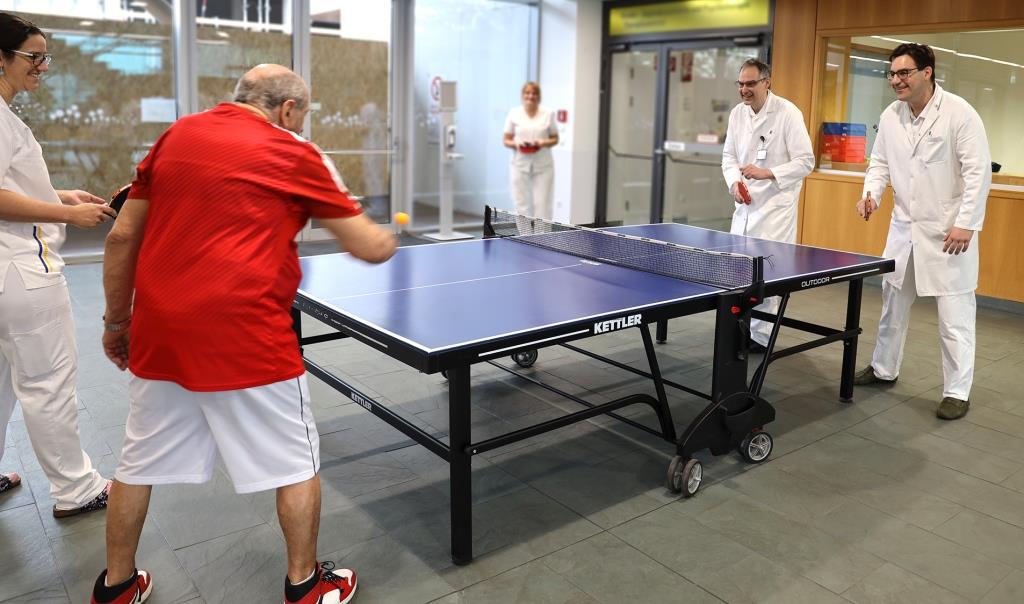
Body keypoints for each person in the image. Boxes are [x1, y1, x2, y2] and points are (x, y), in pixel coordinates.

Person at [92, 64, 396, 604]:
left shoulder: (176, 135)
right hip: (249, 338)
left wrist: (118, 323)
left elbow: (120, 239)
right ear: (288, 110)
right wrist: (388, 231)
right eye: (302, 115)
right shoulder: (295, 153)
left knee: (136, 464)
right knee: (296, 463)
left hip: (161, 332)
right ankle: (306, 585)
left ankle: (116, 586)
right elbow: (369, 247)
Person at [0, 12, 114, 514]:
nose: (43, 66)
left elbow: (12, 185)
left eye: (46, 56)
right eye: (33, 56)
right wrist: (65, 211)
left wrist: (54, 193)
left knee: (3, 382)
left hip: (8, 273)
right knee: (47, 383)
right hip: (22, 273)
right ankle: (76, 488)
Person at [854, 43, 990, 421]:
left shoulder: (960, 114)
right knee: (892, 305)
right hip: (904, 230)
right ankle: (884, 368)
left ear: (927, 72)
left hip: (948, 233)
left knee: (955, 315)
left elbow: (978, 174)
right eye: (893, 74)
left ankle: (957, 391)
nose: (896, 80)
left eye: (904, 73)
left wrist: (966, 223)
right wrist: (871, 195)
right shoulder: (892, 115)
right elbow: (879, 163)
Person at [721, 58, 814, 351]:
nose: (744, 90)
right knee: (739, 272)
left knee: (768, 276)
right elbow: (729, 158)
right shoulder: (737, 114)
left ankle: (761, 338)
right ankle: (740, 329)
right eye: (741, 84)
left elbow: (806, 161)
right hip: (745, 208)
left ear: (767, 82)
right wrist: (734, 183)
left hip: (775, 210)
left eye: (750, 83)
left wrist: (769, 172)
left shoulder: (788, 113)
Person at [503, 81, 559, 219]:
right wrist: (516, 143)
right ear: (523, 95)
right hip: (519, 164)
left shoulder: (548, 113)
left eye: (534, 93)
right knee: (520, 204)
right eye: (527, 93)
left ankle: (542, 239)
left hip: (543, 165)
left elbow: (555, 138)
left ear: (538, 96)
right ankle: (524, 237)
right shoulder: (514, 113)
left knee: (542, 205)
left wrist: (543, 142)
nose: (530, 96)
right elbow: (506, 139)